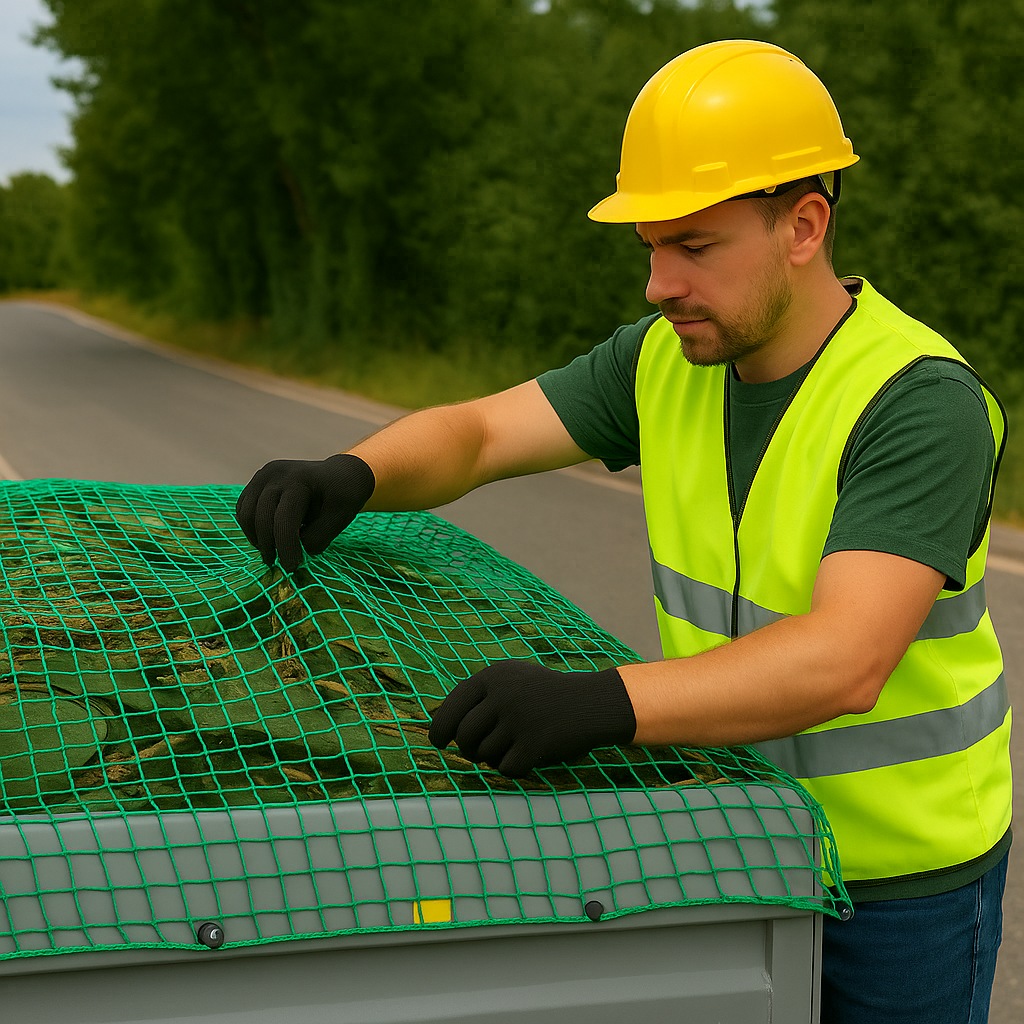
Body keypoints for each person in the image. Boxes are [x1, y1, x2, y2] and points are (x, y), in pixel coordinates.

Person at [235, 40, 1011, 1024]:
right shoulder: (664, 362)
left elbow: (842, 660)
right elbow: (478, 433)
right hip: (737, 833)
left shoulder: (915, 401)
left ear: (804, 226)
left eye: (693, 247)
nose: (658, 283)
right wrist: (354, 470)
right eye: (649, 246)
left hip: (905, 888)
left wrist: (600, 703)